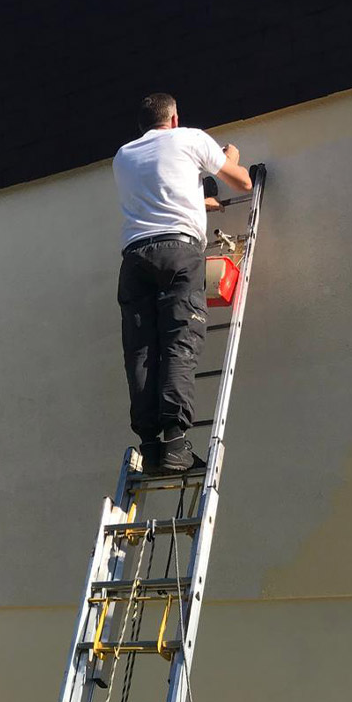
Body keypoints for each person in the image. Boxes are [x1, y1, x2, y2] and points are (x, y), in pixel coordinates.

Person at [112, 93, 253, 473]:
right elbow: (242, 183)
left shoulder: (123, 157)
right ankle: (176, 445)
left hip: (135, 258)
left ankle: (151, 446)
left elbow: (162, 189)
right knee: (180, 340)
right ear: (174, 118)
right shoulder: (191, 139)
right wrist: (229, 159)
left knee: (141, 350)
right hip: (178, 252)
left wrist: (199, 195)